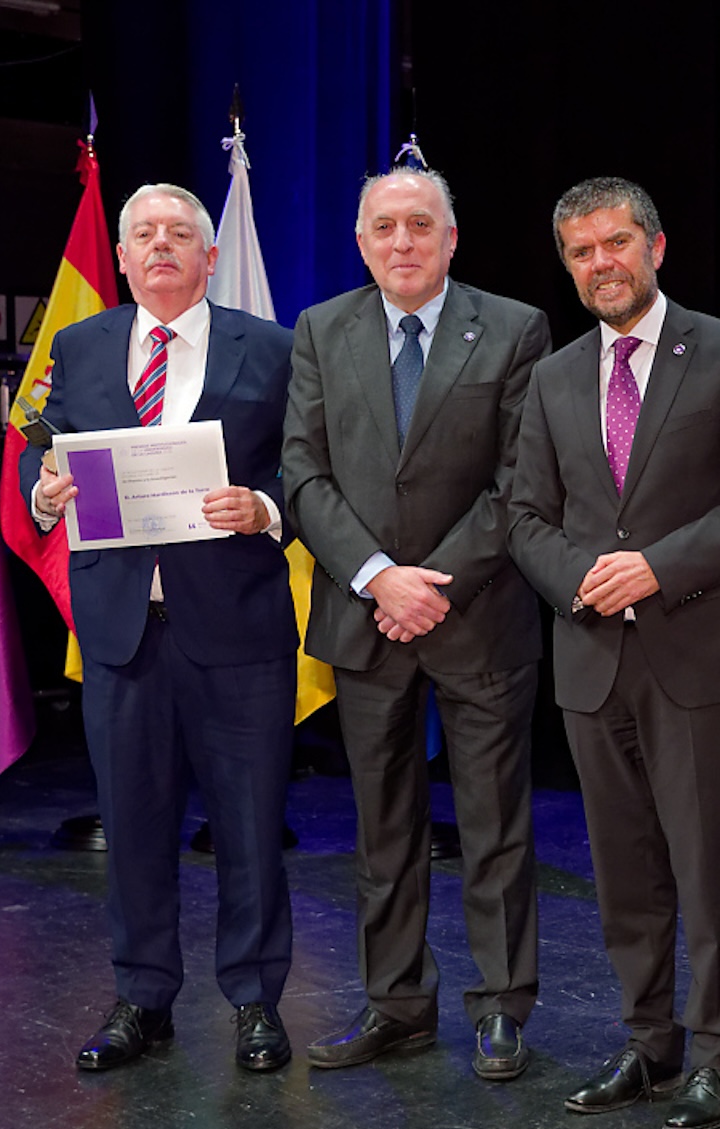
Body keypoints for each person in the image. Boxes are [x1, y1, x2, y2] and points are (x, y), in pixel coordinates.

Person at [508, 177, 720, 1129]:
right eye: (581, 252)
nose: (599, 264)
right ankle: (649, 1040)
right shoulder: (551, 376)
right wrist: (582, 578)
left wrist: (655, 568)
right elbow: (525, 513)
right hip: (589, 657)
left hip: (697, 653)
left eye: (615, 244)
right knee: (623, 869)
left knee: (705, 865)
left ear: (655, 248)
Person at [281, 168, 552, 1080]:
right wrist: (376, 577)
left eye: (420, 226)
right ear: (361, 242)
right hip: (366, 614)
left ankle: (503, 1005)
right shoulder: (321, 330)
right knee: (382, 827)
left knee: (493, 824)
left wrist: (429, 584)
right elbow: (304, 475)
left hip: (475, 615)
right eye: (384, 227)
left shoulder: (515, 328)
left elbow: (520, 481)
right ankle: (395, 1002)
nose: (402, 242)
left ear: (452, 236)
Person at [24, 183, 299, 1074]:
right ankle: (142, 998)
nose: (161, 246)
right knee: (134, 825)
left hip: (238, 631)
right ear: (123, 252)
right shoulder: (81, 344)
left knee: (250, 826)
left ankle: (256, 1002)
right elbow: (46, 440)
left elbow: (311, 470)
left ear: (210, 258)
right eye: (143, 234)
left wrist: (262, 506)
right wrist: (44, 486)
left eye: (180, 234)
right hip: (122, 631)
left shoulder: (276, 348)